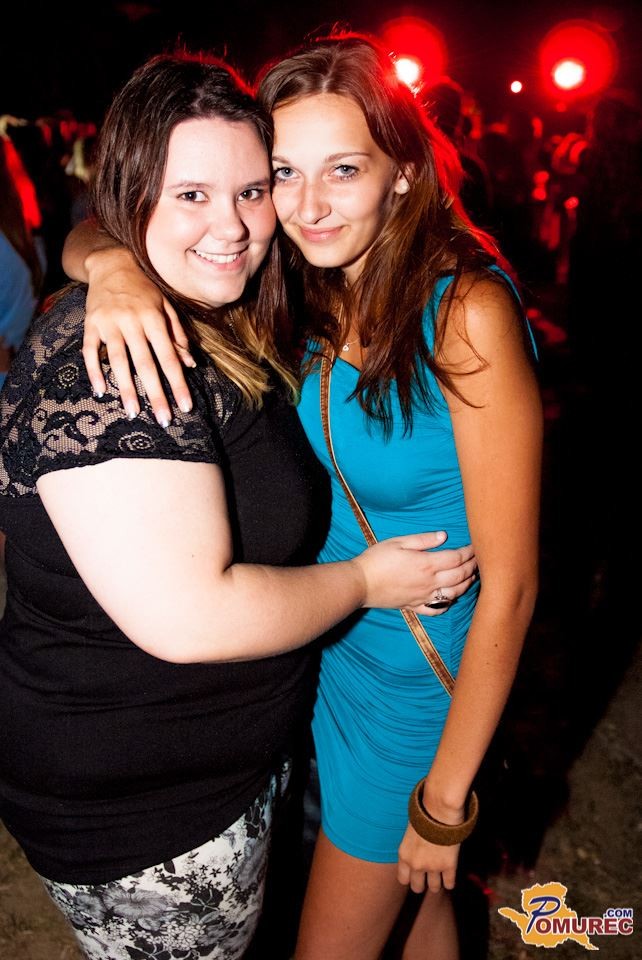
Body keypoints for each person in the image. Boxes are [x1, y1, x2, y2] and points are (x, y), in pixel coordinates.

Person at [62, 33, 542, 960]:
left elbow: (514, 586)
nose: (309, 205)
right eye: (284, 173)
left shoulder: (465, 312)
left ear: (404, 171)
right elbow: (104, 227)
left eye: (344, 170)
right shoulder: (302, 286)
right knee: (418, 910)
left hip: (413, 687)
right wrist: (111, 269)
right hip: (328, 653)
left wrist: (444, 801)